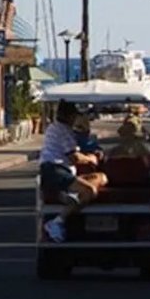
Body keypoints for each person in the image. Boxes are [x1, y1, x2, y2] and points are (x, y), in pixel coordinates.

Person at [39, 100, 108, 242]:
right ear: (69, 116)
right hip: (55, 170)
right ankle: (57, 222)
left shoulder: (60, 129)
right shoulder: (62, 130)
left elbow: (78, 147)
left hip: (65, 171)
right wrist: (91, 159)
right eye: (75, 115)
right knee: (89, 190)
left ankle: (72, 197)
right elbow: (74, 157)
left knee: (101, 177)